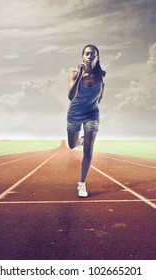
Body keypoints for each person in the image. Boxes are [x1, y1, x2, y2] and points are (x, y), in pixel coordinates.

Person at [66, 44, 106, 198]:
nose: (89, 57)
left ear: (97, 57)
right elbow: (70, 96)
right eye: (87, 54)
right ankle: (80, 140)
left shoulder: (101, 75)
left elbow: (101, 95)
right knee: (72, 145)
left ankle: (82, 183)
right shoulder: (74, 74)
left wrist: (94, 104)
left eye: (93, 54)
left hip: (92, 114)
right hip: (74, 114)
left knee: (88, 149)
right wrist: (81, 74)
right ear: (82, 56)